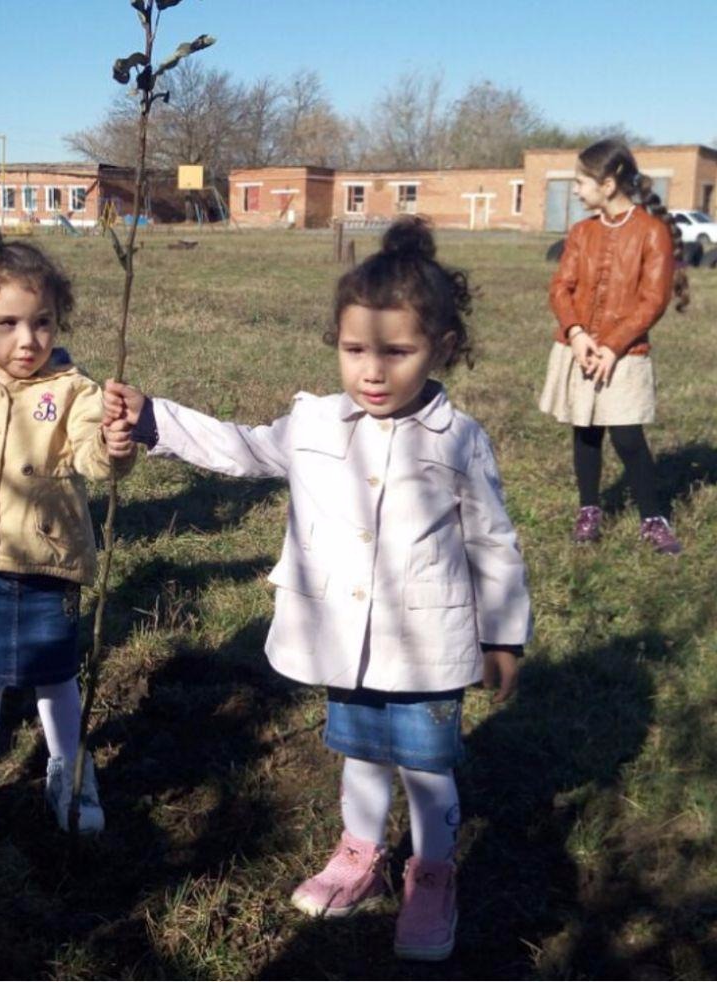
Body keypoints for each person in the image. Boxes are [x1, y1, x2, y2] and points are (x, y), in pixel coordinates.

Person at [104, 218, 532, 962]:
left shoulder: (457, 439)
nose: (372, 371)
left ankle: (431, 877)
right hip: (343, 634)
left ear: (443, 349)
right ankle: (360, 853)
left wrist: (503, 633)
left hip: (428, 641)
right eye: (354, 349)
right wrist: (153, 420)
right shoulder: (313, 422)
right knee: (362, 751)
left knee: (427, 767)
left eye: (397, 353)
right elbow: (239, 448)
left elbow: (492, 540)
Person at [0, 215, 136, 859]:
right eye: (8, 324)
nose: (27, 339)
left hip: (50, 564)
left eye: (41, 322)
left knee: (56, 675)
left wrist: (114, 443)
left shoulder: (74, 391)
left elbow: (94, 456)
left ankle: (69, 767)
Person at [540, 139, 688, 554]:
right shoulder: (581, 232)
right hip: (581, 348)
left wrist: (614, 345)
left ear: (607, 185)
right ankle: (589, 509)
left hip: (624, 355)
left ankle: (652, 517)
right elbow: (561, 287)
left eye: (580, 181)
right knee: (585, 431)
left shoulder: (651, 232)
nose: (574, 190)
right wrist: (577, 334)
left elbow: (652, 299)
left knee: (626, 437)